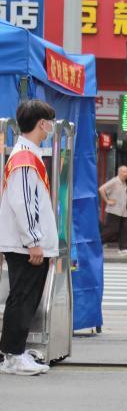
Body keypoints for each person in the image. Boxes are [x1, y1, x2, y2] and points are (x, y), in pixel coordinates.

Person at [0, 100, 58, 375]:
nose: (51, 127)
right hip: (26, 245)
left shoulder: (28, 155)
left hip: (28, 244)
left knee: (25, 297)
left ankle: (17, 351)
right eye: (50, 121)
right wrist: (33, 240)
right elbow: (23, 202)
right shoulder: (24, 157)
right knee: (21, 298)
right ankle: (12, 356)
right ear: (41, 123)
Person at [99, 165, 127, 256]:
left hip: (123, 211)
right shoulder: (115, 181)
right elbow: (101, 189)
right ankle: (98, 243)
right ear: (119, 172)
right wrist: (107, 200)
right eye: (124, 172)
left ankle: (123, 248)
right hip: (114, 210)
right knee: (111, 230)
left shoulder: (123, 182)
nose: (126, 174)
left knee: (124, 229)